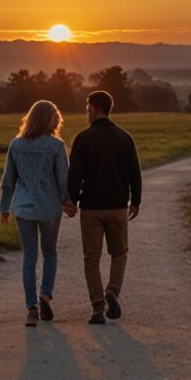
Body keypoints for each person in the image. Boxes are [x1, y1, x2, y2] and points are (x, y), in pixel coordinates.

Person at [66, 90, 142, 324]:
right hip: (118, 206)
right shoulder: (125, 138)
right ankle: (113, 291)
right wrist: (135, 201)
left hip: (91, 208)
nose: (86, 113)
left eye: (88, 108)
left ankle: (98, 308)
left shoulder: (83, 139)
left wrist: (71, 201)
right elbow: (135, 174)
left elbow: (74, 175)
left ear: (96, 108)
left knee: (92, 258)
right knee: (119, 253)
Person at [0, 100, 71, 326]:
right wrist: (69, 202)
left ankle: (31, 309)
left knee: (29, 258)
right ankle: (45, 294)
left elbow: (8, 180)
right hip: (49, 208)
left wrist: (4, 207)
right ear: (53, 120)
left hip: (23, 208)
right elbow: (63, 180)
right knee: (49, 253)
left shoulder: (16, 145)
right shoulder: (56, 146)